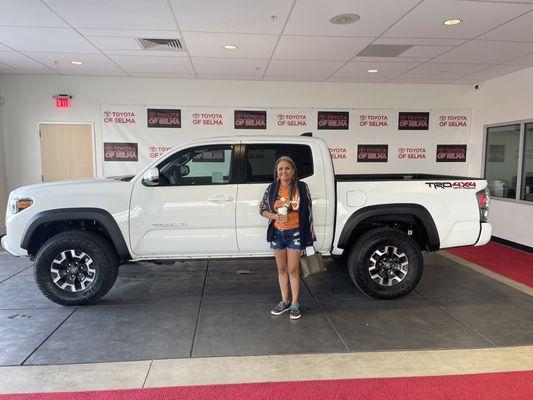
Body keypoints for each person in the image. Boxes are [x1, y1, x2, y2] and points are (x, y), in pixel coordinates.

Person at [259, 156, 316, 320]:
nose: (283, 171)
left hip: (295, 234)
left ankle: (295, 303)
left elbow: (309, 213)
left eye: (287, 168)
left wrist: (309, 237)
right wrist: (274, 216)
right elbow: (262, 208)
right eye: (280, 169)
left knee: (293, 270)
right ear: (277, 173)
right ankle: (284, 301)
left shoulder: (302, 187)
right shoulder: (272, 189)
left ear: (293, 171)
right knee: (281, 269)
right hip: (277, 233)